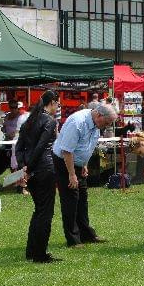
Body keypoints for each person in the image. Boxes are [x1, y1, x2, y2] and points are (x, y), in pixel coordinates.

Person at [52, 104, 117, 248]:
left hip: (78, 163)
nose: (106, 126)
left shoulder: (95, 123)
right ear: (99, 115)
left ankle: (87, 235)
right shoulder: (77, 123)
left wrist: (84, 164)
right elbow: (66, 151)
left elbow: (88, 146)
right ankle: (73, 239)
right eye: (106, 123)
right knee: (70, 200)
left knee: (82, 199)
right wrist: (71, 174)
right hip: (65, 163)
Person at [15, 90, 60, 263]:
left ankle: (31, 250)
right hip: (45, 170)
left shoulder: (29, 121)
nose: (58, 107)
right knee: (45, 213)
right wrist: (28, 168)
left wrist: (23, 167)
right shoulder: (49, 121)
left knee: (38, 211)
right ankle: (40, 253)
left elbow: (18, 148)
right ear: (53, 102)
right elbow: (41, 147)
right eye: (58, 104)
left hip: (33, 170)